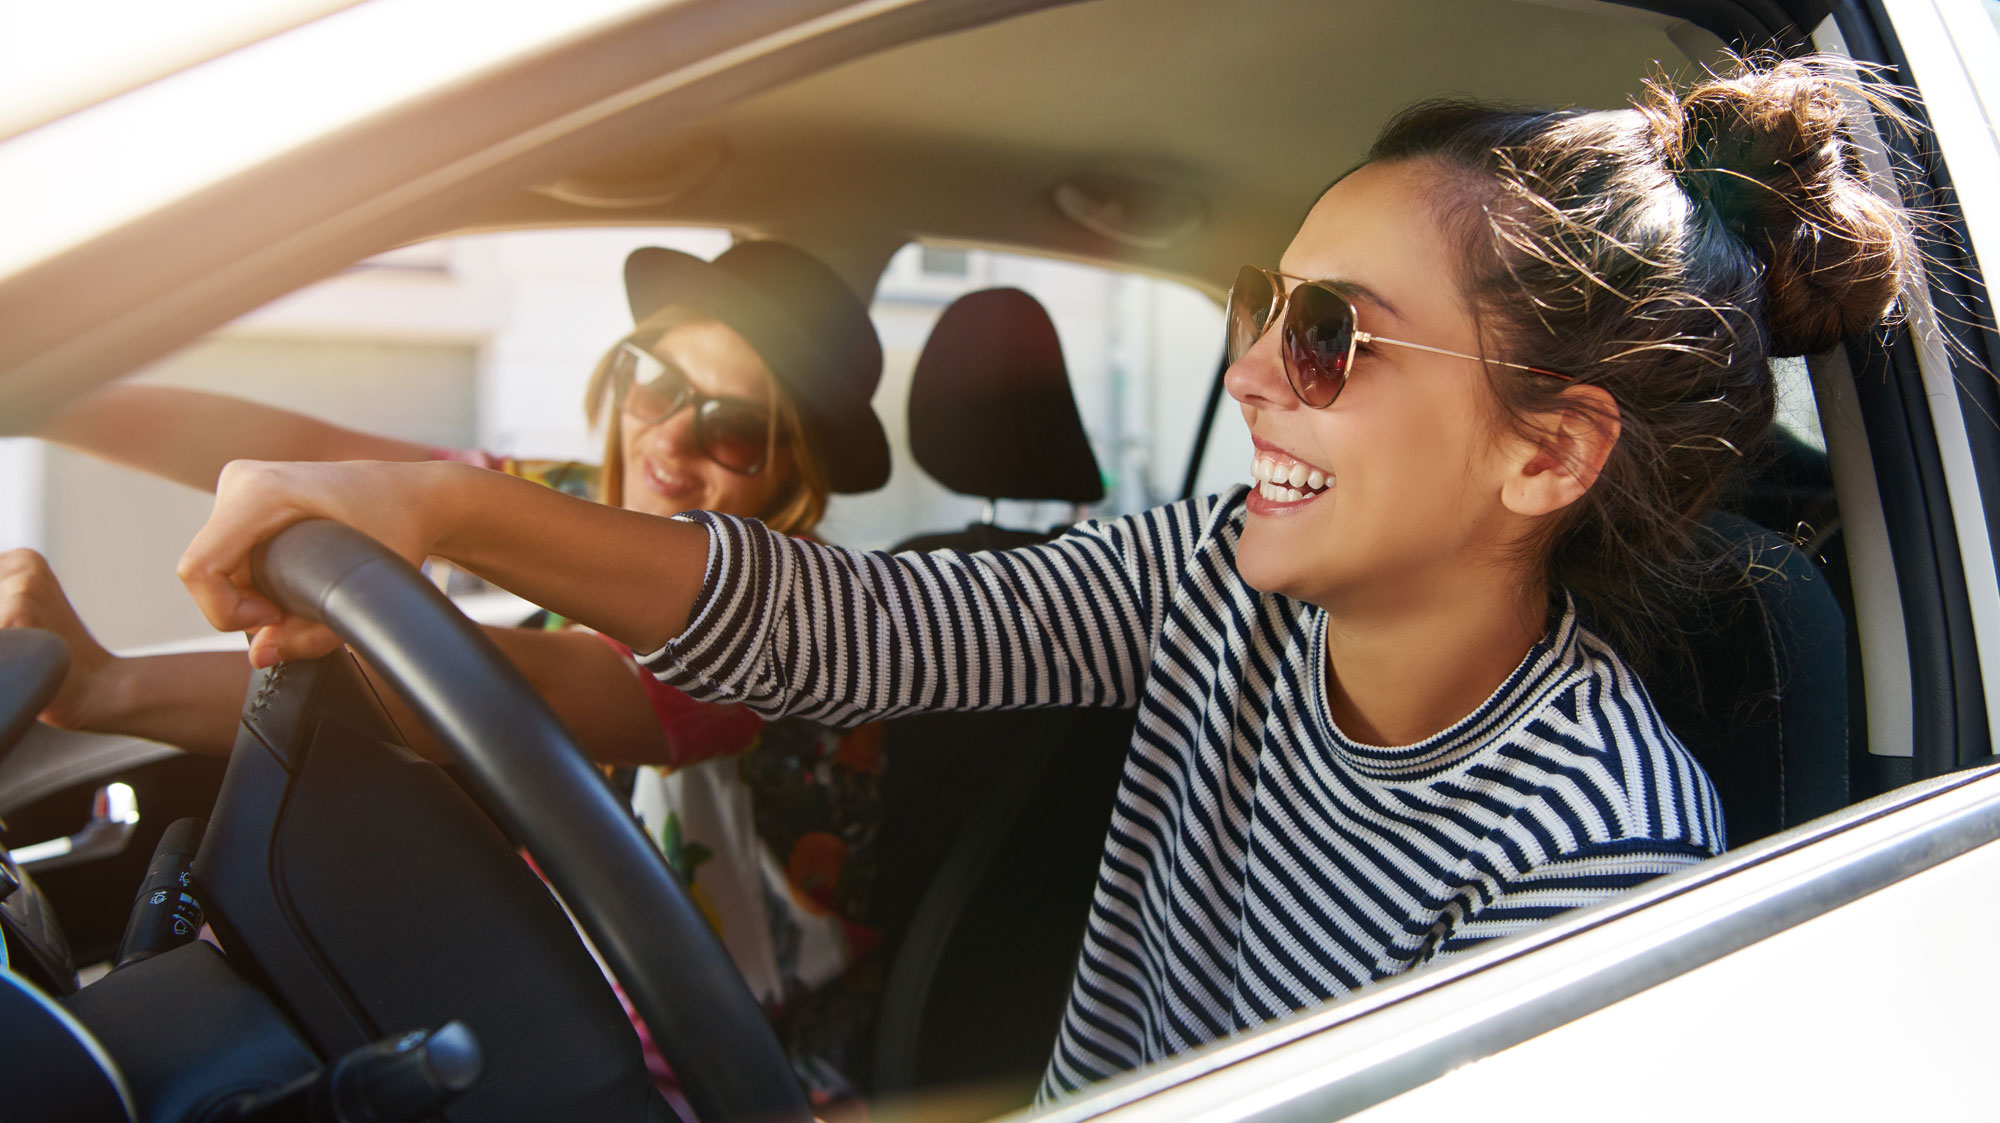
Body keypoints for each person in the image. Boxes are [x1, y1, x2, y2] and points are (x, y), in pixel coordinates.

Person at [172, 57, 1918, 1100]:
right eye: (1258, 302)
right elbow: (851, 629)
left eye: (1330, 336)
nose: (1250, 373)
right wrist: (432, 505)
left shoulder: (1597, 843)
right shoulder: (1213, 584)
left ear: (1546, 453)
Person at [9, 241, 897, 1103]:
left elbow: (526, 690)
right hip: (561, 989)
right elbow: (320, 455)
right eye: (657, 381)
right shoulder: (576, 497)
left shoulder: (788, 614)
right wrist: (50, 392)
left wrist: (110, 684)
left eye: (733, 428)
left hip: (722, 1066)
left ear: (794, 472)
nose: (668, 439)